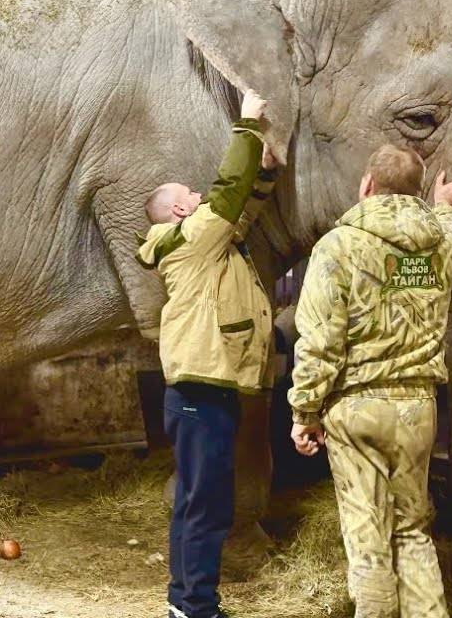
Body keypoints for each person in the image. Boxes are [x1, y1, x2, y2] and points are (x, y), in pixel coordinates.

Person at [288, 145, 452, 617]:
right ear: (416, 193)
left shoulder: (338, 247)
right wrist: (445, 208)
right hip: (418, 409)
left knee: (368, 539)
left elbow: (321, 340)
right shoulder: (440, 244)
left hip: (356, 410)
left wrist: (304, 412)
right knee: (412, 529)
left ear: (366, 186)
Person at [136, 90, 279, 618]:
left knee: (199, 501)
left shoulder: (205, 241)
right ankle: (194, 607)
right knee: (205, 506)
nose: (199, 195)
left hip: (205, 389)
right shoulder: (192, 237)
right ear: (179, 209)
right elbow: (227, 192)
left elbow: (242, 210)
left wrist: (263, 173)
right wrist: (248, 125)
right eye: (189, 193)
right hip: (200, 389)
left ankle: (187, 604)